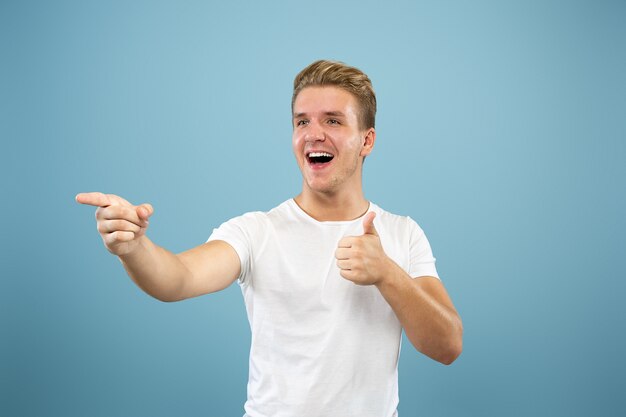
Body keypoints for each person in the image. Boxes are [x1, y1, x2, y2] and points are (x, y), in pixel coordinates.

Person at [76, 60, 463, 417]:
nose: (314, 134)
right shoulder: (256, 231)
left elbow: (447, 346)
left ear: (367, 140)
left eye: (333, 121)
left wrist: (386, 274)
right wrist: (133, 248)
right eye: (302, 122)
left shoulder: (403, 233)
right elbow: (176, 278)